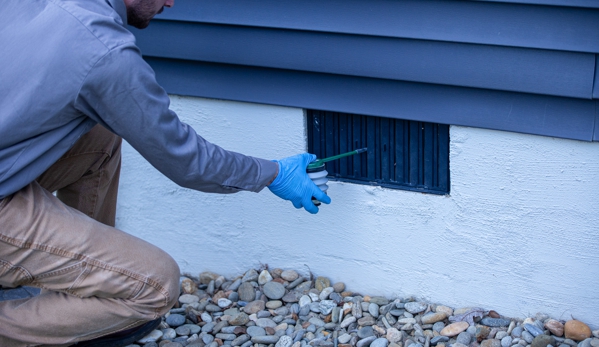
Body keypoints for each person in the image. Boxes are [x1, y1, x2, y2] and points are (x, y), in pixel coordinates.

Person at [0, 0, 331, 345]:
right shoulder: (102, 50)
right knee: (155, 286)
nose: (171, 2)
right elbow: (187, 161)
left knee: (101, 135)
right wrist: (273, 173)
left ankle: (74, 287)